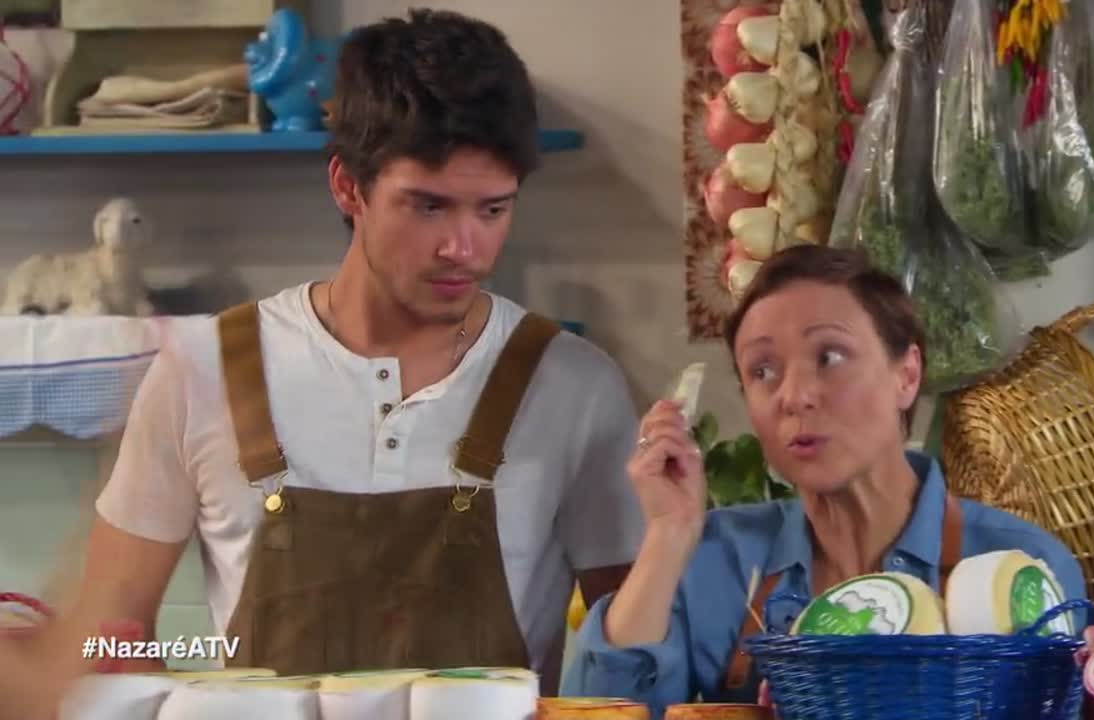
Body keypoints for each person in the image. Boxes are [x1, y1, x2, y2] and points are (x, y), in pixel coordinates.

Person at [22, 8, 643, 699]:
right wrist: (172, 692)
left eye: (492, 210)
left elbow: (633, 664)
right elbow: (108, 636)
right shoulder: (203, 369)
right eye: (428, 207)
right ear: (348, 186)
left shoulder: (574, 386)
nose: (463, 249)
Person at [561, 244, 1087, 717]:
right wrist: (668, 533)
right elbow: (595, 712)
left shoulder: (1019, 568)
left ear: (906, 375)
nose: (794, 396)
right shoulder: (719, 559)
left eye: (829, 357)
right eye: (762, 371)